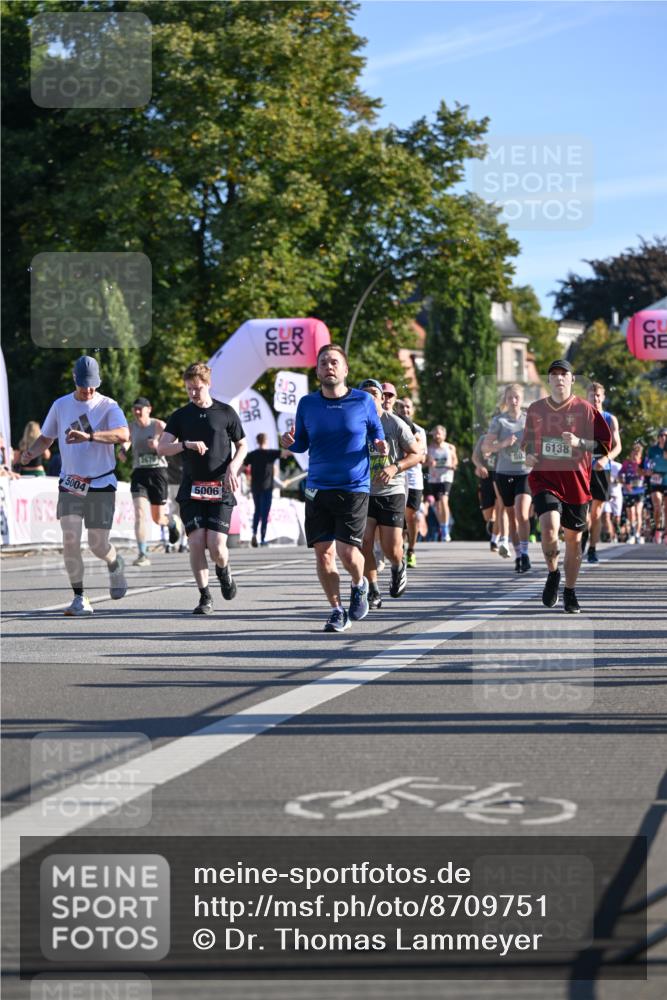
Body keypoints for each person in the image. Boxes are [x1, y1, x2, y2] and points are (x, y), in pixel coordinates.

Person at [280, 344, 386, 633]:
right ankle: (337, 610)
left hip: (353, 485)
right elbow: (301, 442)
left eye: (334, 362)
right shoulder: (307, 404)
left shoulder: (363, 401)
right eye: (323, 362)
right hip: (318, 486)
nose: (329, 366)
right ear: (317, 371)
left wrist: (379, 443)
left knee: (348, 553)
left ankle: (359, 583)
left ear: (345, 369)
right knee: (323, 553)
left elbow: (376, 430)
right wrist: (289, 442)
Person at [19, 355, 129, 616]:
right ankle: (80, 597)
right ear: (75, 381)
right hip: (70, 483)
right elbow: (46, 438)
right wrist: (29, 453)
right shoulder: (61, 405)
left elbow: (123, 434)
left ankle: (115, 563)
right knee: (70, 539)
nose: (88, 390)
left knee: (97, 544)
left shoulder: (108, 405)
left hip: (101, 482)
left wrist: (90, 436)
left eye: (93, 385)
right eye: (84, 386)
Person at [521, 359, 612, 614]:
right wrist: (528, 455)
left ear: (572, 379)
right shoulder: (536, 409)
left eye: (564, 374)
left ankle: (570, 591)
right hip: (545, 478)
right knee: (548, 528)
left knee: (573, 540)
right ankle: (552, 574)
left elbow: (604, 445)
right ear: (548, 380)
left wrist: (580, 442)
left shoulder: (585, 409)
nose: (559, 378)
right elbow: (527, 442)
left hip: (576, 482)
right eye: (554, 374)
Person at [157, 362, 247, 615]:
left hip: (220, 487)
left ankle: (223, 569)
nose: (193, 394)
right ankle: (205, 596)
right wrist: (185, 444)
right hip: (192, 488)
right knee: (196, 542)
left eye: (197, 388)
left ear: (208, 385)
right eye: (188, 389)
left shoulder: (226, 412)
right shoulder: (181, 416)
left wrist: (233, 467)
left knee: (217, 546)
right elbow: (162, 448)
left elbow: (242, 445)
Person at [359, 380, 420, 608]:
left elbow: (417, 454)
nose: (370, 398)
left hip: (391, 491)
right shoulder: (354, 424)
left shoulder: (394, 423)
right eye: (364, 394)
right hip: (363, 491)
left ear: (381, 398)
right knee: (364, 542)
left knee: (391, 548)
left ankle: (397, 565)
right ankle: (373, 589)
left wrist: (394, 467)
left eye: (374, 393)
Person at [119, 397, 183, 566]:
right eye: (135, 409)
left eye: (140, 408)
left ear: (149, 409)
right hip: (139, 473)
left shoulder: (159, 425)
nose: (137, 412)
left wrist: (158, 445)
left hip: (158, 473)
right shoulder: (131, 426)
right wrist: (123, 450)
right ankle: (142, 554)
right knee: (140, 514)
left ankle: (171, 522)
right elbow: (127, 440)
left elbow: (175, 443)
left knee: (157, 518)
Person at [484, 384, 532, 573]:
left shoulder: (529, 420)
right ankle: (519, 556)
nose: (513, 401)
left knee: (522, 513)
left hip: (524, 472)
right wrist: (503, 443)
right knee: (511, 517)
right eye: (510, 397)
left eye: (516, 398)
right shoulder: (499, 421)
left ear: (522, 399)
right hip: (504, 473)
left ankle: (526, 553)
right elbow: (486, 448)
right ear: (506, 399)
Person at [583, 382, 621, 563]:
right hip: (583, 469)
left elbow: (618, 446)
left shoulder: (609, 418)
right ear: (587, 397)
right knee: (583, 511)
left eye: (598, 395)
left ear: (603, 397)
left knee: (596, 513)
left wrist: (606, 459)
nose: (596, 398)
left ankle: (592, 548)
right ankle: (581, 538)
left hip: (601, 469)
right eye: (592, 395)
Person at [395, 396, 426, 568]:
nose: (404, 410)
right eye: (401, 407)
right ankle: (398, 549)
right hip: (397, 479)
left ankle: (411, 550)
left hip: (414, 480)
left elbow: (421, 458)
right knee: (398, 519)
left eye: (407, 407)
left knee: (411, 517)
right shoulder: (392, 427)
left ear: (412, 410)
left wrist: (413, 443)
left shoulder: (419, 431)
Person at [245, 432, 283, 547]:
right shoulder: (270, 453)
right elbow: (287, 453)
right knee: (265, 513)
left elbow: (242, 466)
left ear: (257, 441)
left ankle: (254, 533)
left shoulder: (252, 454)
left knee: (257, 511)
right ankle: (262, 538)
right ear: (266, 441)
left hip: (255, 487)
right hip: (267, 487)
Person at [426, 425, 458, 541]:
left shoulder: (450, 447)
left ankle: (445, 532)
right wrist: (429, 463)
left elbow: (455, 461)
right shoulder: (429, 448)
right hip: (434, 479)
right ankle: (443, 526)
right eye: (435, 433)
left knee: (444, 501)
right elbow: (424, 462)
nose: (437, 436)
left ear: (444, 435)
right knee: (438, 506)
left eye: (439, 433)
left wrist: (452, 465)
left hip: (446, 477)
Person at [472, 431, 500, 551]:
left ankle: (495, 540)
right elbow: (474, 457)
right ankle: (493, 523)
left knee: (500, 508)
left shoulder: (507, 437)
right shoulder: (484, 438)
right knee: (488, 515)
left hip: (500, 475)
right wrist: (479, 466)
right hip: (486, 476)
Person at [619, 443, 646, 544]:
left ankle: (638, 534)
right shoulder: (626, 463)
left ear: (640, 455)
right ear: (631, 454)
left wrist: (641, 471)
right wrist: (625, 484)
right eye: (633, 454)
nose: (634, 456)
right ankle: (632, 534)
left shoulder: (642, 463)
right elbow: (619, 476)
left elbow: (647, 474)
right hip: (629, 492)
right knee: (631, 513)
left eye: (637, 454)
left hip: (640, 491)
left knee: (638, 512)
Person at [644, 428, 667, 544]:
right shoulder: (653, 450)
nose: (664, 437)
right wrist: (648, 470)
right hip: (656, 480)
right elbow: (646, 463)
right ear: (658, 437)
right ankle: (658, 530)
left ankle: (666, 533)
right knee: (657, 506)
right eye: (661, 435)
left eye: (665, 435)